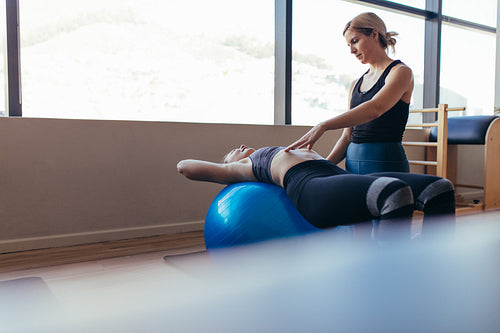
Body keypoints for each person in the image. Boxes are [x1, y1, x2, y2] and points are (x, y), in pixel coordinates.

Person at [178, 145, 455, 230]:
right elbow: (185, 166)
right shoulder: (244, 167)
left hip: (334, 176)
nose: (237, 148)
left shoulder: (273, 150)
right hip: (310, 187)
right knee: (393, 193)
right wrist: (225, 165)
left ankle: (438, 263)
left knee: (439, 188)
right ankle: (389, 275)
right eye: (231, 152)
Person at [286, 12, 413, 175]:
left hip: (386, 164)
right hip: (352, 167)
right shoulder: (355, 84)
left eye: (355, 41)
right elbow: (347, 136)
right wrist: (324, 166)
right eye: (349, 45)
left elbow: (376, 108)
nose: (352, 50)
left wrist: (323, 126)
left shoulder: (401, 72)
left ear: (374, 34)